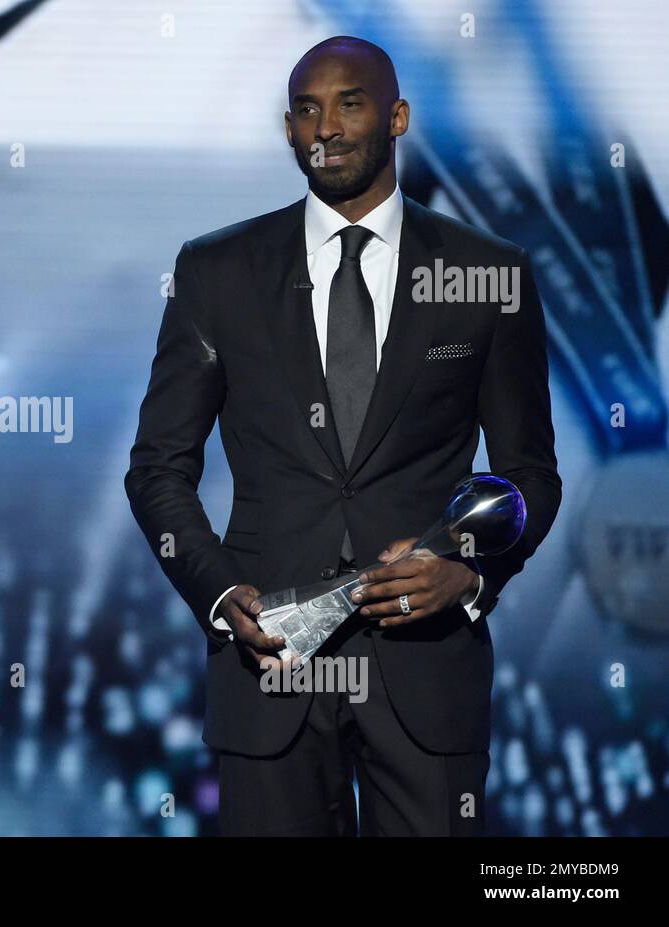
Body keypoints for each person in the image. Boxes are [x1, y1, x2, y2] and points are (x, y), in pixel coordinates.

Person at [125, 38, 561, 836]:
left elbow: (531, 474)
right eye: (305, 108)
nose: (325, 126)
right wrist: (221, 594)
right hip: (269, 670)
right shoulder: (217, 271)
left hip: (427, 676)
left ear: (396, 116)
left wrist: (468, 573)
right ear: (288, 130)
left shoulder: (488, 273)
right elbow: (157, 467)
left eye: (350, 103)